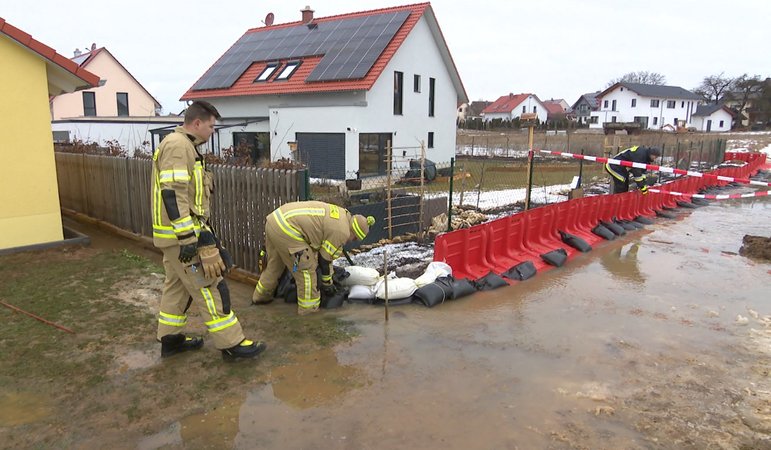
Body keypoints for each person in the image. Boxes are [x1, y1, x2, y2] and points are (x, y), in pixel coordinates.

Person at [152, 100, 266, 361]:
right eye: (212, 127)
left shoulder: (184, 146)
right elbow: (174, 194)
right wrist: (189, 238)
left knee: (177, 287)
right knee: (210, 286)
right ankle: (232, 344)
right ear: (197, 123)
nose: (213, 132)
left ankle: (171, 340)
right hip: (183, 239)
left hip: (175, 238)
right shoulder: (178, 147)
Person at [251, 201, 375, 315]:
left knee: (275, 265)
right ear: (354, 231)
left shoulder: (342, 215)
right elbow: (324, 260)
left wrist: (329, 277)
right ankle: (309, 311)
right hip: (288, 229)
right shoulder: (343, 232)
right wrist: (327, 284)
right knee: (307, 271)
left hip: (275, 220)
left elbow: (325, 255)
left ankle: (260, 297)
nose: (351, 241)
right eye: (354, 238)